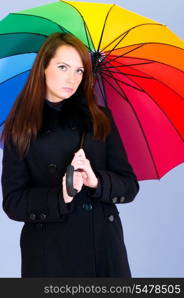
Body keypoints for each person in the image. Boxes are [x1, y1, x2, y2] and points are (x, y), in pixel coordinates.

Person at [1, 32, 139, 278]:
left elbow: (129, 186)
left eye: (79, 70)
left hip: (104, 250)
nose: (72, 78)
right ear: (43, 67)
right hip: (49, 257)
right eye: (63, 67)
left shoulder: (100, 119)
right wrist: (60, 196)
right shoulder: (21, 127)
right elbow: (13, 203)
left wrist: (96, 181)